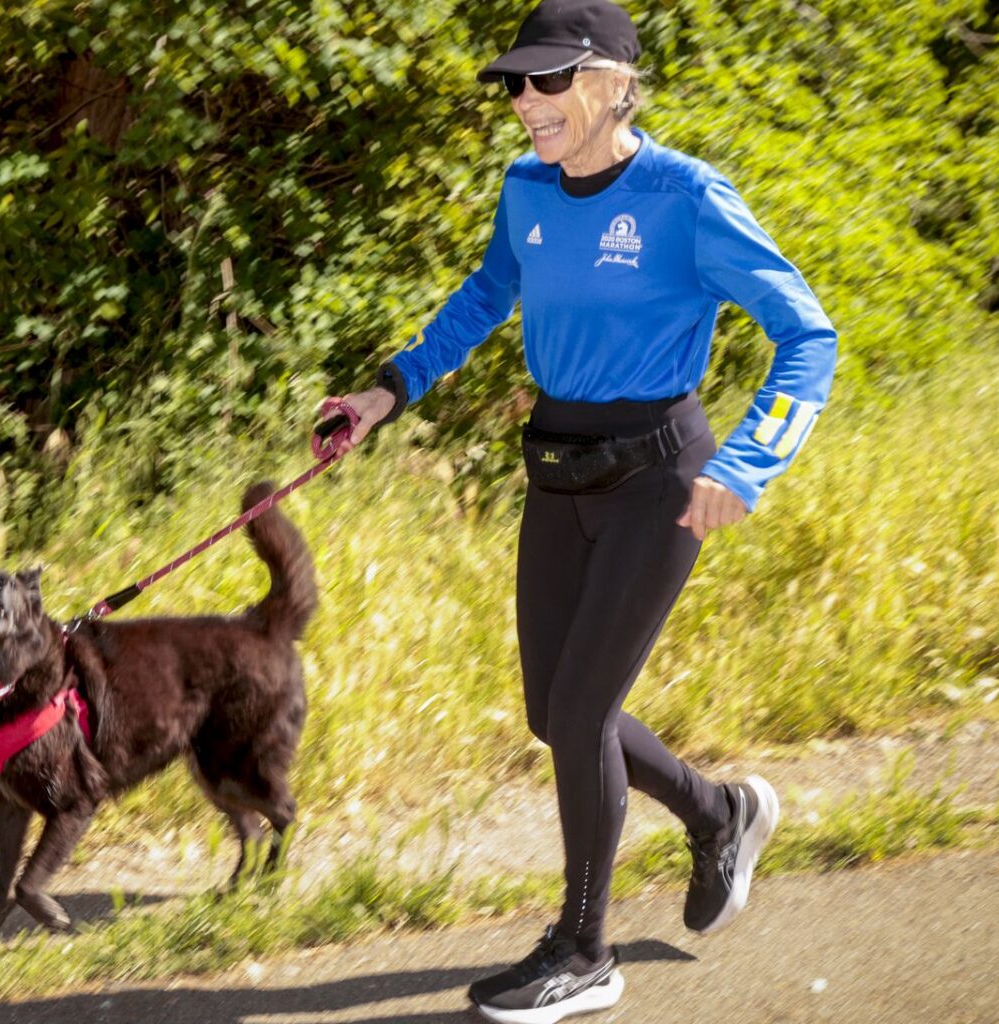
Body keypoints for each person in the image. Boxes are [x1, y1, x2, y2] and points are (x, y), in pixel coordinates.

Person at [316, 0, 838, 1019]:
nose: (526, 100)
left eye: (549, 80)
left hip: (660, 479)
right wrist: (389, 390)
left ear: (615, 83)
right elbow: (483, 295)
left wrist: (749, 461)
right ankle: (720, 811)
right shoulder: (526, 191)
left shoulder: (686, 197)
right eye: (516, 81)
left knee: (582, 712)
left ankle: (585, 948)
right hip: (557, 471)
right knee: (551, 712)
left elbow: (806, 334)